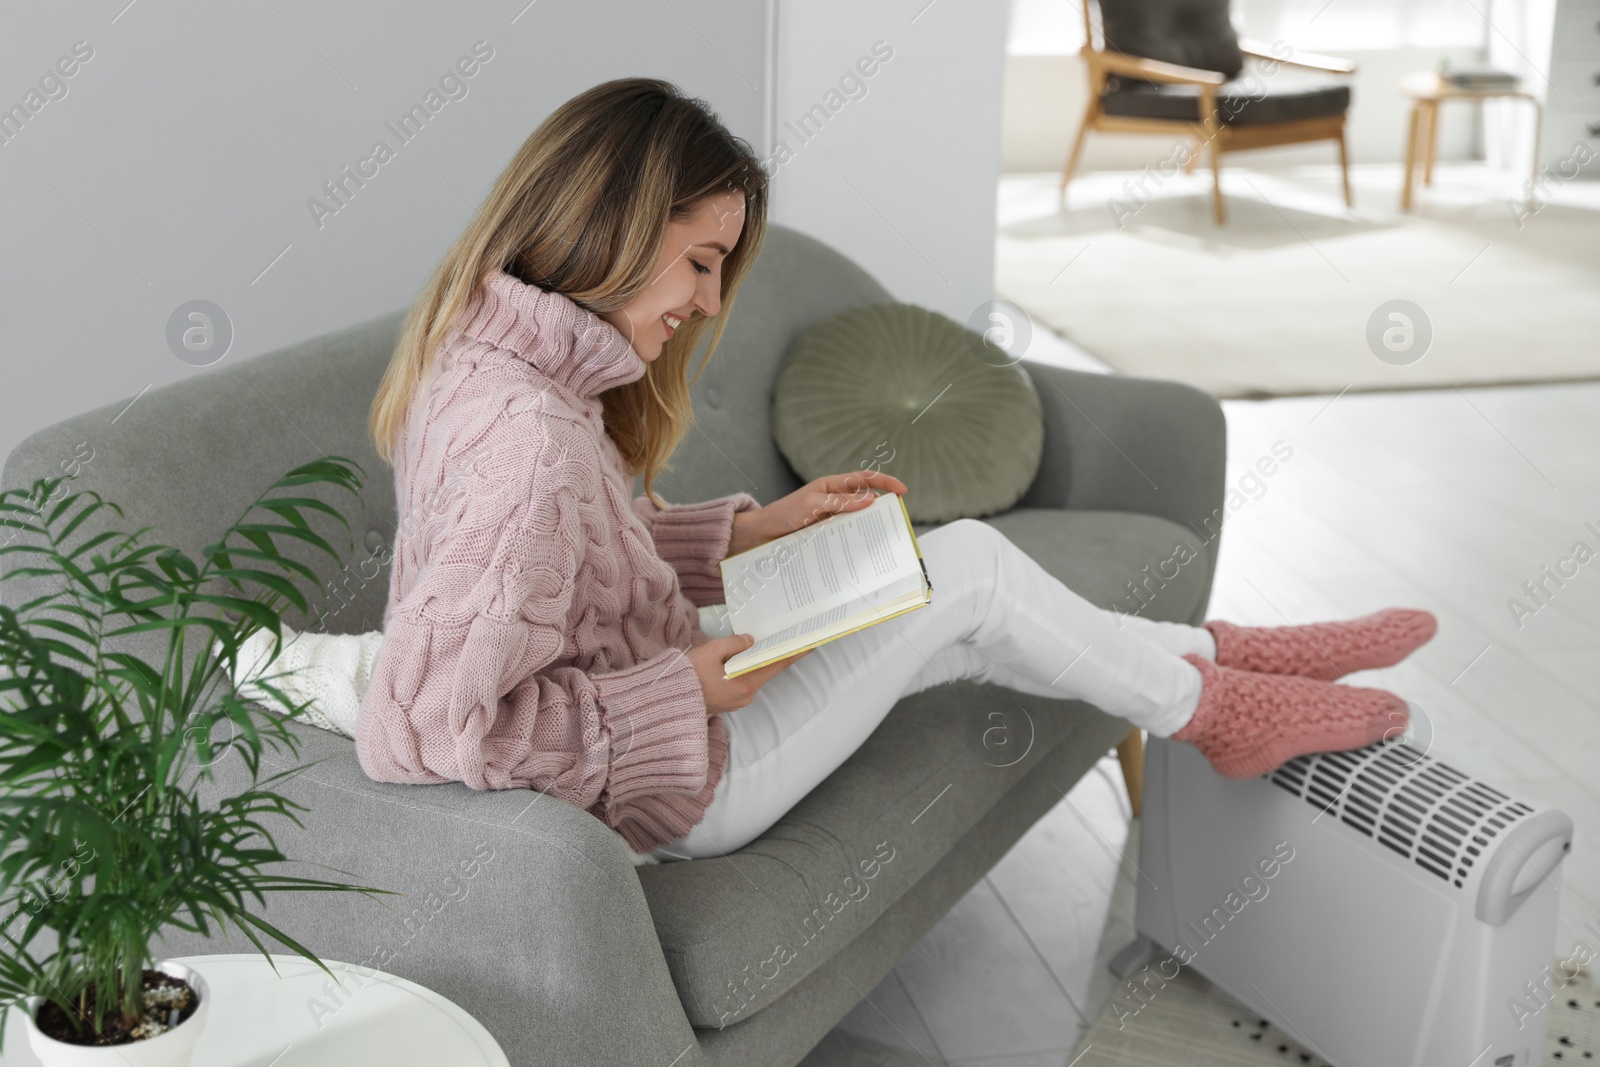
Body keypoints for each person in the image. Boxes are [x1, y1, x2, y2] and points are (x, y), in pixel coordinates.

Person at [349, 77, 1437, 864]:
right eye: (700, 260)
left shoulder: (502, 363)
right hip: (678, 783)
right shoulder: (524, 439)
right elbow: (431, 728)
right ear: (610, 228)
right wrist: (678, 687)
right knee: (962, 570)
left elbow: (570, 559)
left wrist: (745, 533)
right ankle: (1211, 706)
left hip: (678, 719)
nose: (711, 303)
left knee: (962, 601)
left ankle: (1216, 658)